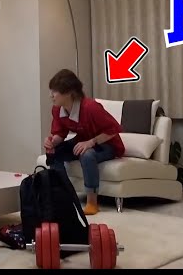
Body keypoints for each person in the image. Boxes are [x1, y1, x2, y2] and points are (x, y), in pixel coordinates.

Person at [43, 69, 125, 215]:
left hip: (107, 144)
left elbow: (113, 130)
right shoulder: (57, 110)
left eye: (55, 91)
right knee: (54, 153)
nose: (51, 95)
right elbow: (60, 134)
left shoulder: (90, 107)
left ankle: (92, 203)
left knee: (87, 155)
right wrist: (52, 142)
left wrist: (91, 142)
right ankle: (64, 195)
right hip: (83, 140)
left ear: (69, 92)